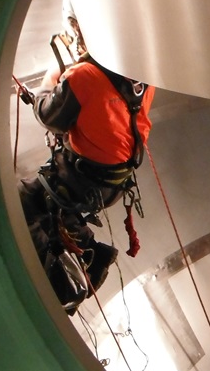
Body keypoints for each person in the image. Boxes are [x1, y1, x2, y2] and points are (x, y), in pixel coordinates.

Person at [18, 50, 155, 314]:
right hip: (112, 185)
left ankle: (51, 283)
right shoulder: (145, 78)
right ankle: (94, 251)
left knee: (23, 201)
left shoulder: (84, 77)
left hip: (81, 181)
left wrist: (49, 81)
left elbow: (49, 116)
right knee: (58, 205)